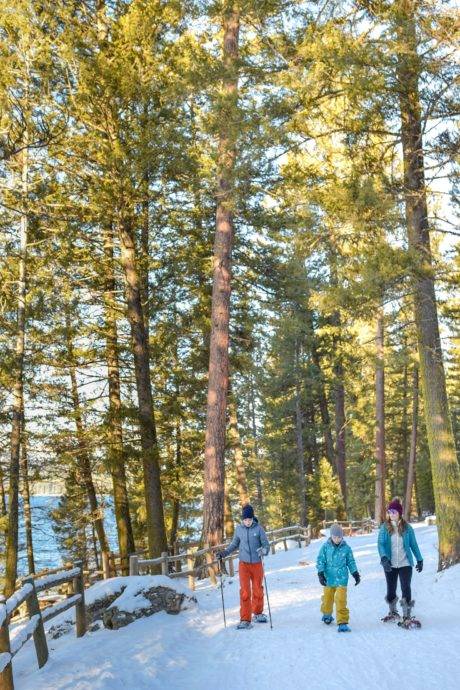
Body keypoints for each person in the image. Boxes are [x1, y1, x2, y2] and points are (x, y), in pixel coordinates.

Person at [217, 504, 270, 629]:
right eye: (245, 520)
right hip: (244, 565)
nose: (247, 522)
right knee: (245, 591)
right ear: (242, 519)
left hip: (257, 564)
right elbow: (234, 544)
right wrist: (224, 553)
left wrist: (264, 551)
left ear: (253, 518)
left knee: (257, 589)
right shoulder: (239, 529)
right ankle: (245, 619)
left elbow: (266, 545)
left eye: (250, 519)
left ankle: (258, 613)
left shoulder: (259, 529)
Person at [378, 498, 423, 625]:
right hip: (390, 564)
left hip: (405, 563)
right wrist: (384, 558)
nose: (391, 514)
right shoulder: (384, 528)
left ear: (399, 513)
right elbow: (380, 544)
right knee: (391, 589)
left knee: (406, 587)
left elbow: (413, 545)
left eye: (394, 512)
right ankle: (393, 612)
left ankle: (407, 615)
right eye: (390, 512)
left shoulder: (407, 528)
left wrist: (419, 559)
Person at [316, 523, 360, 632]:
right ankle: (327, 614)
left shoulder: (346, 548)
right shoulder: (325, 547)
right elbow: (320, 560)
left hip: (342, 578)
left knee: (341, 600)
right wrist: (320, 573)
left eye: (339, 537)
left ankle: (342, 622)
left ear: (342, 537)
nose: (337, 539)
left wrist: (355, 573)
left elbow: (351, 562)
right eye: (334, 537)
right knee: (328, 598)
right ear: (330, 536)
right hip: (328, 578)